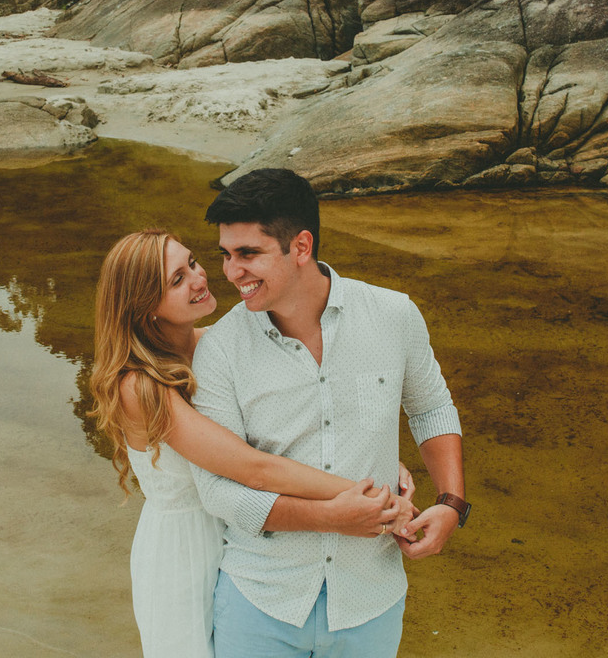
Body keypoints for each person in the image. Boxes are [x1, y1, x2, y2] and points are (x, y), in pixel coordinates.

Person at [90, 229, 420, 658]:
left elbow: (301, 418)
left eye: (193, 262)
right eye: (177, 279)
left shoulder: (219, 345)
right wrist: (374, 496)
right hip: (185, 549)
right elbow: (253, 467)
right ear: (144, 306)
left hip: (243, 538)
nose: (199, 278)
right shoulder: (139, 386)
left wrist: (376, 459)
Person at [190, 168, 468, 658]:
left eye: (248, 253)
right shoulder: (220, 349)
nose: (231, 272)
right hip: (260, 601)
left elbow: (431, 409)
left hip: (371, 599)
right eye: (226, 255)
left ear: (301, 246)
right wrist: (326, 518)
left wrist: (451, 502)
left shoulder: (394, 314)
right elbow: (217, 491)